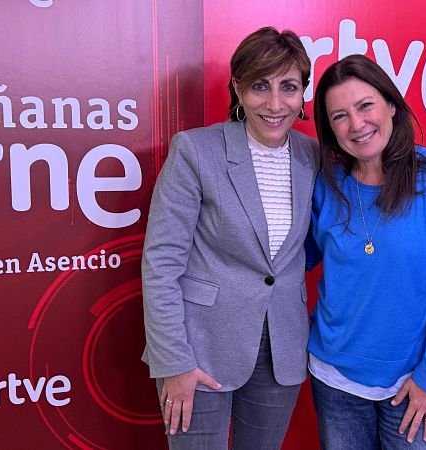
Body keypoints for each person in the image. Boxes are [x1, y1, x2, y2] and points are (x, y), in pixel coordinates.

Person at [141, 27, 318, 450]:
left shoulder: (312, 156)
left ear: (302, 94)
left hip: (282, 351)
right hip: (199, 348)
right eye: (260, 85)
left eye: (288, 87)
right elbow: (161, 262)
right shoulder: (196, 150)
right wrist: (174, 362)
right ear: (237, 88)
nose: (275, 104)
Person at [306, 54, 426, 449]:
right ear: (330, 130)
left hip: (413, 383)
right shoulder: (325, 184)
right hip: (335, 382)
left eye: (365, 105)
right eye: (339, 116)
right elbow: (293, 261)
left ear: (392, 105)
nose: (357, 124)